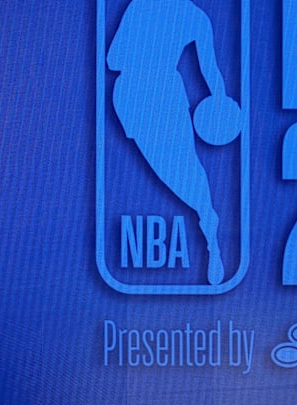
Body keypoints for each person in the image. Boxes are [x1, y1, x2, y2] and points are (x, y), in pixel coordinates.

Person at [107, 0, 231, 285]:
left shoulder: (188, 17)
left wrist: (221, 105)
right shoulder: (151, 7)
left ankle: (208, 223)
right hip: (137, 95)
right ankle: (207, 216)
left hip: (155, 93)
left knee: (181, 166)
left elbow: (115, 58)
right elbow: (113, 59)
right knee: (172, 169)